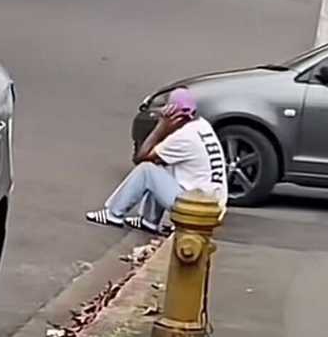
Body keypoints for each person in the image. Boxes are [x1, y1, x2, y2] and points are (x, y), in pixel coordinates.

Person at [84, 88, 228, 234]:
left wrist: (161, 127)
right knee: (161, 164)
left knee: (147, 169)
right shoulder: (202, 125)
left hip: (195, 210)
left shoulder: (182, 138)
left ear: (174, 116)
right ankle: (149, 221)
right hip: (212, 207)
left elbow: (141, 157)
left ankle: (113, 214)